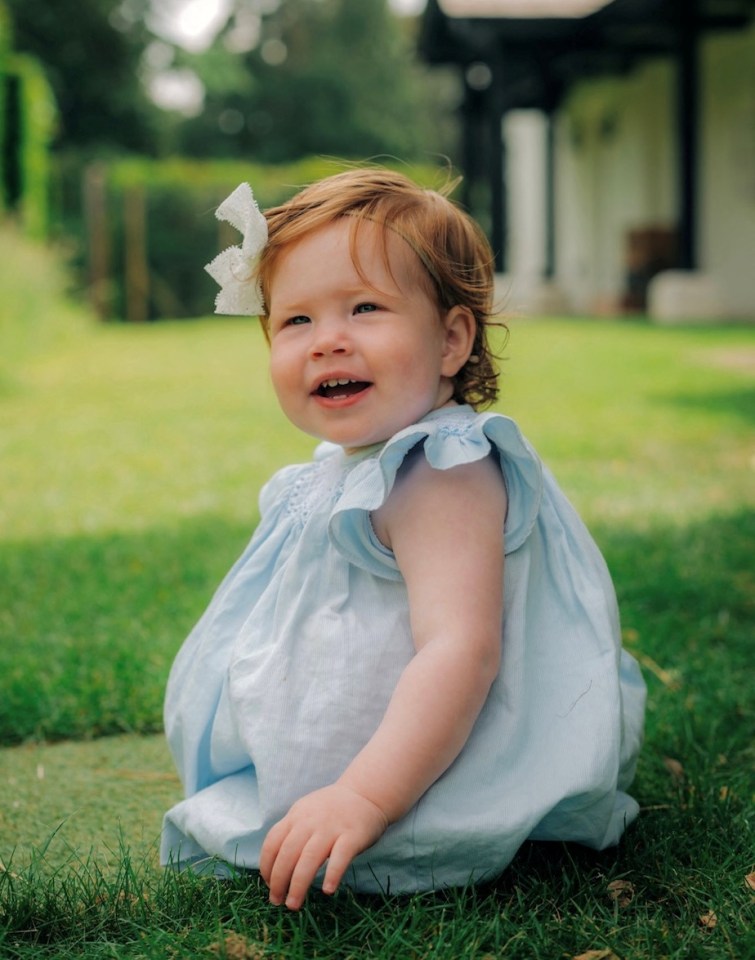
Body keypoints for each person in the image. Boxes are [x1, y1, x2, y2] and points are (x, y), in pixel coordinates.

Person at [161, 168, 646, 911]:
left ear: (451, 339)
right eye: (295, 321)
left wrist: (360, 795)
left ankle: (375, 813)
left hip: (415, 773)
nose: (327, 342)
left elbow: (462, 649)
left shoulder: (442, 470)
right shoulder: (349, 466)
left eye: (363, 308)